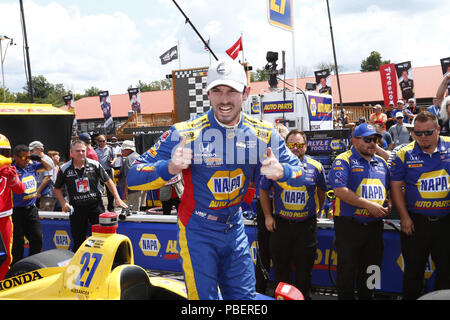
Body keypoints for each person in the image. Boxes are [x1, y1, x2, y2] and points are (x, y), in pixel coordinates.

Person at [126, 59, 305, 300]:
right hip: (197, 229)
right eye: (217, 91)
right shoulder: (185, 132)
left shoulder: (263, 133)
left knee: (244, 299)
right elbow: (133, 177)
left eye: (232, 91)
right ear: (208, 94)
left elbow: (300, 172)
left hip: (234, 228)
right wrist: (168, 167)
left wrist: (282, 171)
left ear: (246, 93)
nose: (224, 99)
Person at [260, 129, 327, 300]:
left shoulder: (316, 167)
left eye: (299, 145)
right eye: (291, 145)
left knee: (305, 272)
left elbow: (322, 191)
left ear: (306, 146)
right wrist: (268, 216)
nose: (295, 149)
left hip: (306, 227)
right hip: (281, 226)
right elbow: (263, 190)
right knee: (282, 272)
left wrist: (318, 211)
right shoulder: (276, 166)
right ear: (286, 146)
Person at [390, 111, 450, 300]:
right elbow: (396, 187)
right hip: (416, 223)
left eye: (428, 132)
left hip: (446, 222)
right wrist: (404, 217)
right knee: (413, 273)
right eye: (418, 133)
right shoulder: (403, 153)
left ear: (438, 129)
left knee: (447, 272)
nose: (423, 137)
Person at [328, 123, 391, 300]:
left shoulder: (382, 163)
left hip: (374, 227)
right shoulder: (344, 159)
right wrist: (368, 205)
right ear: (354, 141)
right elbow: (339, 190)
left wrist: (390, 203)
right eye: (368, 140)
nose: (372, 143)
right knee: (347, 271)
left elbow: (389, 190)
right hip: (349, 226)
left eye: (375, 139)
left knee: (373, 269)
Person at [54, 140, 127, 252]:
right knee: (78, 240)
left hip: (95, 206)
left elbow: (109, 181)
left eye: (83, 150)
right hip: (76, 208)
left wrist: (117, 199)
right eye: (77, 151)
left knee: (101, 238)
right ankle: (78, 266)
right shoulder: (65, 168)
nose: (81, 153)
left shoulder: (95, 165)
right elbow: (57, 189)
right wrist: (63, 203)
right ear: (72, 152)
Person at [11, 144, 53, 265]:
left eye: (29, 157)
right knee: (17, 243)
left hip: (31, 209)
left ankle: (31, 263)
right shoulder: (11, 168)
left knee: (37, 238)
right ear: (16, 157)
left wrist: (39, 159)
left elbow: (49, 167)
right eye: (24, 158)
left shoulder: (31, 166)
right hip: (16, 211)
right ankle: (16, 267)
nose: (27, 160)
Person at [0, 134, 25, 279]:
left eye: (4, 152)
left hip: (4, 218)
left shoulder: (9, 170)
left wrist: (12, 180)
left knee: (6, 256)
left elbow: (20, 190)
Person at [29, 141, 57, 211]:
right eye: (30, 150)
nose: (30, 152)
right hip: (40, 194)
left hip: (48, 195)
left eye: (32, 150)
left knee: (46, 217)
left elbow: (47, 178)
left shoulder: (47, 160)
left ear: (40, 149)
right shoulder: (35, 161)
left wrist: (37, 192)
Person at [118, 140, 143, 211]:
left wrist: (125, 191)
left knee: (132, 211)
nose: (123, 151)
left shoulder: (129, 159)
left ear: (128, 149)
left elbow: (129, 176)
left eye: (124, 149)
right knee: (135, 208)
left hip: (132, 189)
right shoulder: (138, 156)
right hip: (138, 187)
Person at [95, 135, 116, 212]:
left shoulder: (110, 149)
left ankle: (111, 207)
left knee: (110, 190)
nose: (103, 142)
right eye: (101, 141)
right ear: (98, 142)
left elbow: (115, 157)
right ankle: (100, 207)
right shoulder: (95, 150)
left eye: (104, 141)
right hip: (98, 172)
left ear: (106, 141)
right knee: (98, 190)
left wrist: (112, 162)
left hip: (108, 171)